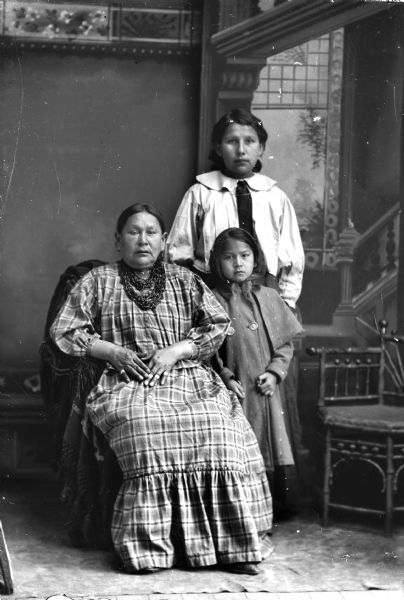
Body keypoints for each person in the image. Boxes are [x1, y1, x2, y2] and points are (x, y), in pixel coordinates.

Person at [50, 203, 273, 575]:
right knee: (146, 430)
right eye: (133, 232)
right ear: (118, 241)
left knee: (220, 430)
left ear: (164, 240)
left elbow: (218, 324)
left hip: (187, 378)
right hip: (126, 381)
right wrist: (112, 352)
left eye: (151, 232)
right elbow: (65, 331)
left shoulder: (184, 280)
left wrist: (177, 350)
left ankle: (234, 546)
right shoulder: (99, 280)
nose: (142, 239)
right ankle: (150, 549)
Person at [165, 107, 304, 311]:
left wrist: (286, 304)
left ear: (261, 148)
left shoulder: (276, 198)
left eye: (249, 141)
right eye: (232, 141)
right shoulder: (200, 194)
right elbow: (177, 254)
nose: (241, 150)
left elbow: (292, 260)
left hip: (264, 298)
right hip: (212, 298)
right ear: (219, 148)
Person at [209, 228, 303, 513]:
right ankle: (245, 507)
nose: (238, 263)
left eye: (244, 256)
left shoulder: (269, 296)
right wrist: (225, 378)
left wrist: (274, 373)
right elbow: (208, 352)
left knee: (274, 438)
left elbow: (286, 344)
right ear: (218, 262)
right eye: (229, 257)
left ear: (255, 258)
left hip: (267, 388)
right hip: (235, 388)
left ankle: (278, 504)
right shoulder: (211, 298)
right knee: (240, 441)